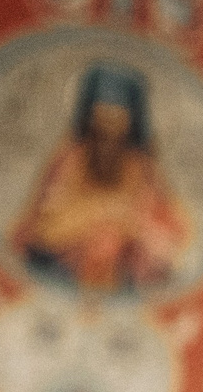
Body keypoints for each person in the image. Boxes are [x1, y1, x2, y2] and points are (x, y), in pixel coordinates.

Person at [12, 62, 193, 294]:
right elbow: (44, 229)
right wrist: (105, 207)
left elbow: (168, 234)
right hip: (64, 273)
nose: (109, 123)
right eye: (102, 113)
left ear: (132, 118)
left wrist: (128, 224)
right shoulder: (71, 158)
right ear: (89, 114)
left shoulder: (141, 167)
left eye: (118, 115)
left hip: (122, 281)